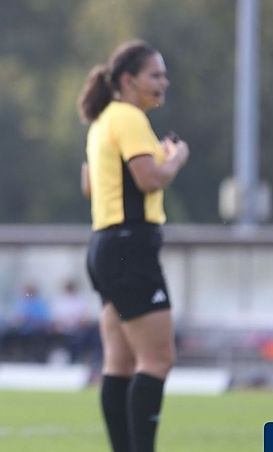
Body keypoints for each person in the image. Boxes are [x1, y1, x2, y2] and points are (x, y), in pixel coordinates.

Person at [78, 40, 189, 452]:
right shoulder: (129, 117)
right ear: (129, 80)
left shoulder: (103, 120)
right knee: (158, 360)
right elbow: (149, 179)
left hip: (105, 245)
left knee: (120, 364)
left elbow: (89, 184)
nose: (164, 82)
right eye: (155, 75)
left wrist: (156, 158)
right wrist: (175, 157)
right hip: (130, 246)